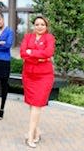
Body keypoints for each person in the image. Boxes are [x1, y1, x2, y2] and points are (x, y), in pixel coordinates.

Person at [20, 16, 55, 148]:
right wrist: (40, 57)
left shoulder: (49, 38)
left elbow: (49, 52)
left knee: (36, 105)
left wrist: (31, 53)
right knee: (32, 105)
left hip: (44, 76)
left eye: (42, 24)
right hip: (29, 75)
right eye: (37, 24)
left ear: (46, 26)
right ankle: (37, 131)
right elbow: (23, 53)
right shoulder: (28, 37)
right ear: (33, 26)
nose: (39, 27)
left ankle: (30, 135)